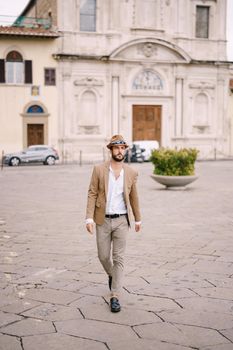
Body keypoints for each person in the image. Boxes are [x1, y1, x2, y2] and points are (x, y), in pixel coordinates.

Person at [85, 135, 141, 313]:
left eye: (123, 148)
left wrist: (138, 219)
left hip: (121, 221)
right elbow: (92, 193)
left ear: (125, 150)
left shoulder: (131, 172)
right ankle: (112, 274)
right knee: (103, 256)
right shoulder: (99, 169)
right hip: (102, 220)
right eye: (116, 148)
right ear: (111, 150)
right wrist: (89, 218)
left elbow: (134, 196)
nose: (120, 151)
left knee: (119, 258)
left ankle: (115, 295)